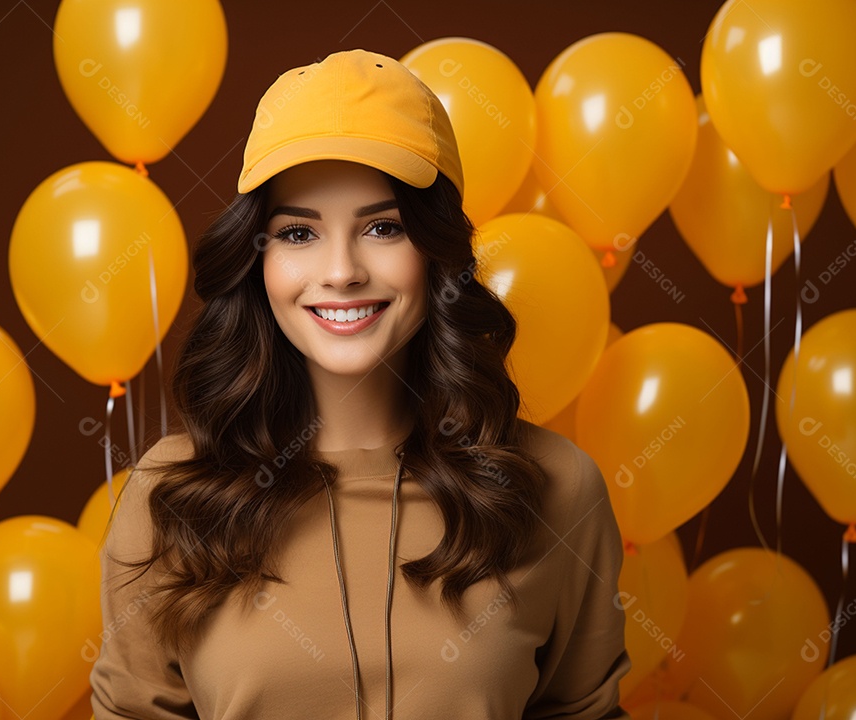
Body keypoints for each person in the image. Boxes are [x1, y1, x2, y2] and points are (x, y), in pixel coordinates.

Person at [90, 47, 632, 720]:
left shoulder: (557, 488)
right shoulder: (169, 498)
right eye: (297, 233)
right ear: (256, 261)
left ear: (436, 252)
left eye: (383, 227)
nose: (341, 271)